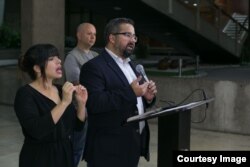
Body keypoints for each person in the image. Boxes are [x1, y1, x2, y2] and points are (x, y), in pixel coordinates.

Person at [80, 18, 157, 167]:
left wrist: (147, 98)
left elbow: (135, 101)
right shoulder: (94, 67)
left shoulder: (131, 65)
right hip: (108, 149)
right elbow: (94, 103)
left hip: (132, 144)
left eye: (134, 36)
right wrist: (131, 92)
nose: (132, 40)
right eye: (127, 35)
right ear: (112, 38)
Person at [14, 44, 88, 167]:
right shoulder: (25, 94)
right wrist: (64, 103)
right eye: (51, 59)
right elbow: (37, 130)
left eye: (58, 57)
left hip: (65, 154)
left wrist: (81, 103)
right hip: (39, 157)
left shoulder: (60, 90)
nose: (59, 61)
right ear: (37, 68)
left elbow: (77, 126)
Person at [64, 22, 98, 167]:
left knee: (95, 149)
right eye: (89, 33)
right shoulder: (72, 57)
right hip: (80, 111)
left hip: (97, 109)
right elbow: (77, 84)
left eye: (94, 34)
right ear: (79, 35)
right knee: (77, 148)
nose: (92, 37)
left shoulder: (96, 55)